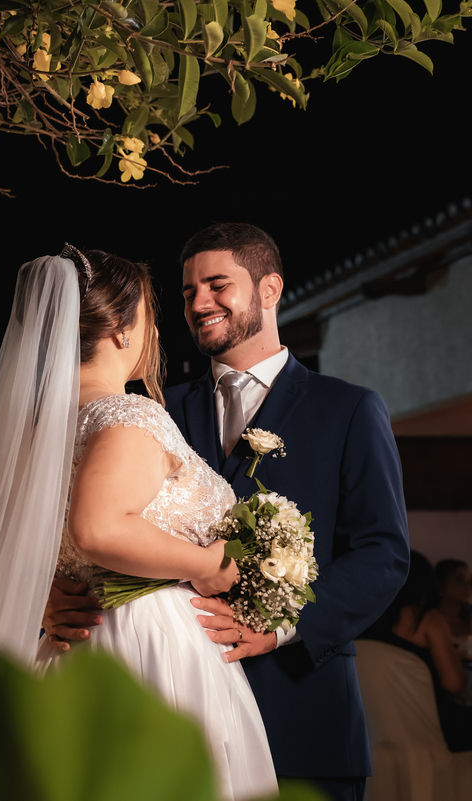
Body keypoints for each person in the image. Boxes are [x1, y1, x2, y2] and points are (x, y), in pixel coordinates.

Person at [0, 248, 277, 800]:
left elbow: (3, 549)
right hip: (144, 644)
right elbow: (98, 529)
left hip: (71, 640)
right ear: (122, 330)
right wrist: (209, 563)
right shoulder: (128, 413)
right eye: (148, 314)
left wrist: (38, 595)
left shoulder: (32, 438)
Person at [159, 223, 408, 801]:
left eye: (217, 285)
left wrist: (278, 627)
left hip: (304, 717)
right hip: (178, 713)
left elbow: (382, 553)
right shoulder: (158, 411)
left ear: (269, 289)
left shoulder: (348, 409)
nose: (199, 304)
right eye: (189, 291)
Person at [363, 551, 472, 752]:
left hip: (376, 726)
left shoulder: (365, 619)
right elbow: (455, 685)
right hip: (432, 725)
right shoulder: (427, 619)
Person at [427, 559, 472, 657]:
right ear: (441, 583)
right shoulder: (429, 620)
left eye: (470, 581)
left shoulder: (469, 620)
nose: (468, 586)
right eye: (460, 580)